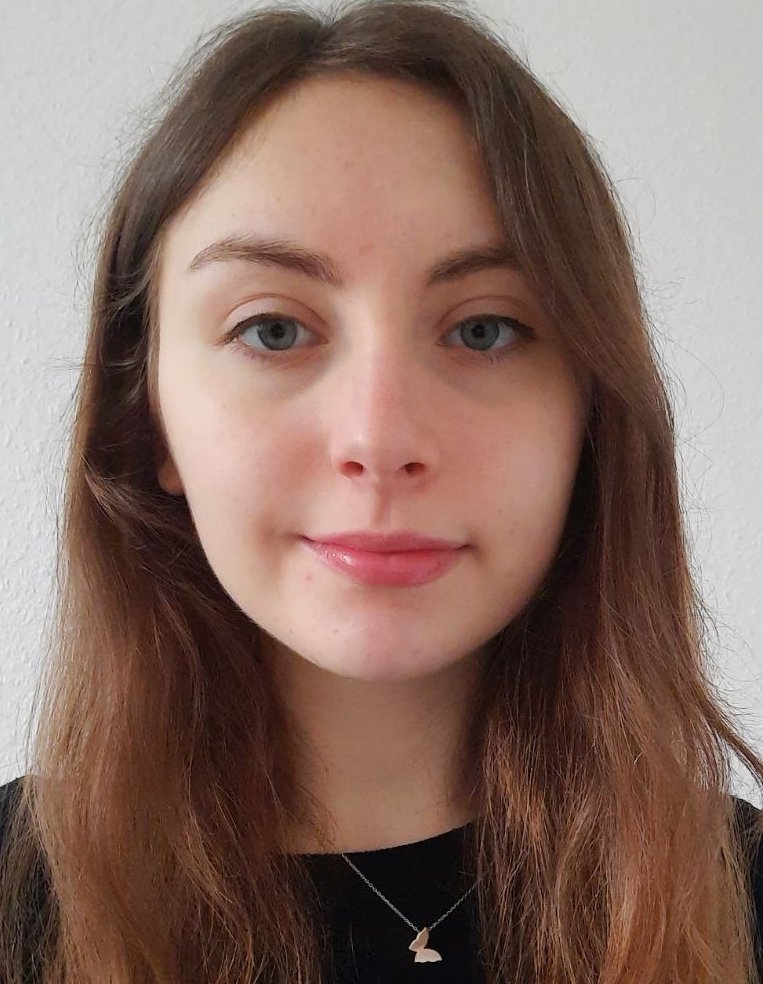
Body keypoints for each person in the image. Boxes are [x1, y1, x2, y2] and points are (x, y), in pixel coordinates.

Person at [1, 0, 762, 980]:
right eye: (273, 329)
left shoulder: (738, 896)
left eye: (483, 330)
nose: (380, 437)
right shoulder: (19, 899)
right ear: (146, 415)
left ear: (590, 414)